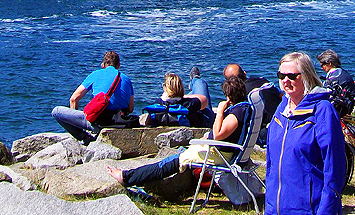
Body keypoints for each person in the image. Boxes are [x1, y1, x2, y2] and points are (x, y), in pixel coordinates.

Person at [106, 76, 250, 187]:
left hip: (219, 154)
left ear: (229, 97)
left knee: (167, 164)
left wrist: (220, 112)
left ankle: (127, 177)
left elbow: (218, 135)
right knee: (176, 155)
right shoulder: (246, 108)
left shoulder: (236, 114)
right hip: (221, 151)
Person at [264, 51, 346, 215]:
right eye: (281, 75)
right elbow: (271, 160)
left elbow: (335, 168)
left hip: (308, 214)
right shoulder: (282, 108)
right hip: (275, 211)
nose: (286, 80)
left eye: (292, 76)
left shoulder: (322, 110)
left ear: (306, 76)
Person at [52, 51, 134, 145]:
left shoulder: (96, 74)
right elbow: (130, 108)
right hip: (120, 123)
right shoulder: (127, 79)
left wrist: (76, 122)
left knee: (56, 112)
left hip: (99, 124)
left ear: (103, 65)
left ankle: (84, 137)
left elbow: (74, 99)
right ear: (118, 65)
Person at [224, 63, 282, 136]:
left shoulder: (240, 93)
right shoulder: (263, 81)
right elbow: (281, 95)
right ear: (244, 74)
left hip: (265, 131)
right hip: (280, 121)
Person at [139, 72, 213, 128]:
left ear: (165, 88)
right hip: (204, 123)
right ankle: (195, 79)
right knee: (201, 84)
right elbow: (204, 100)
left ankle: (193, 84)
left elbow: (147, 123)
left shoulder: (157, 104)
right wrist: (185, 96)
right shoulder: (188, 104)